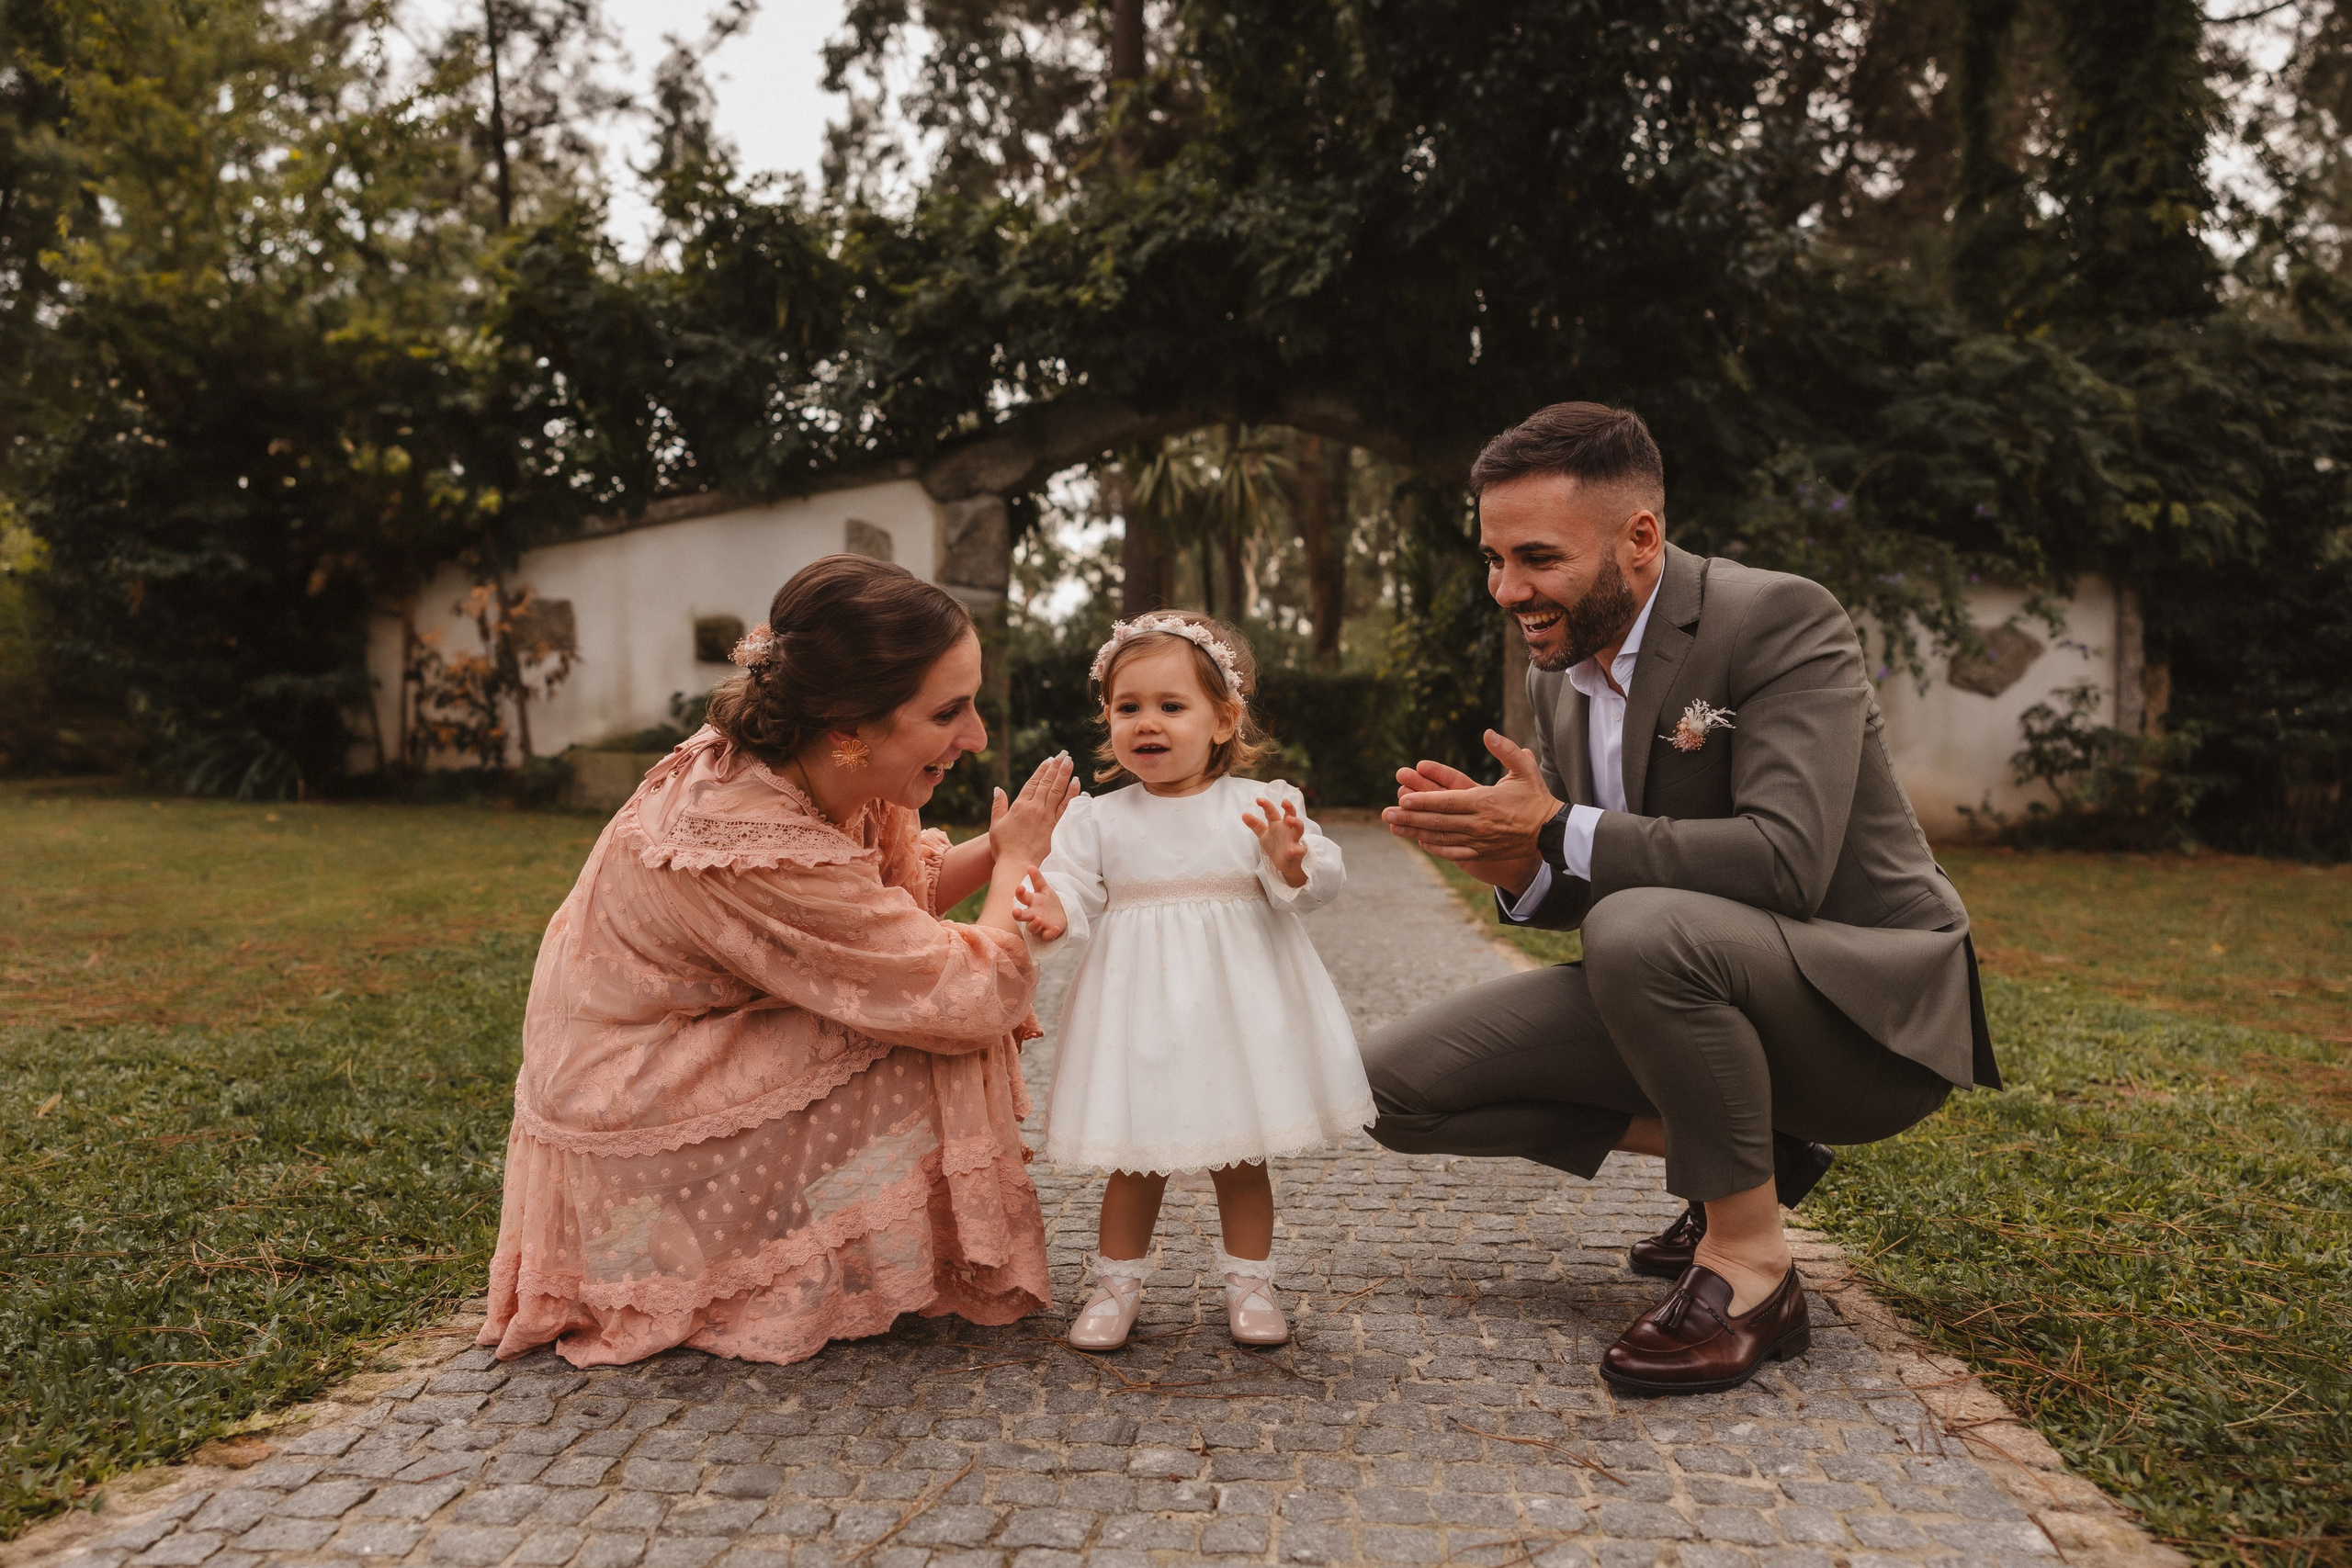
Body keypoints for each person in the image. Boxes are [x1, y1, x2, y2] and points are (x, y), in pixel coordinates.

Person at [1370, 402, 1999, 1396]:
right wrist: (1517, 871)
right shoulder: (1559, 673)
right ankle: (1754, 1153)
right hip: (1698, 973)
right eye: (1492, 560)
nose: (1507, 590)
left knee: (1639, 926)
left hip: (1865, 1019)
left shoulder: (1779, 619)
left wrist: (1553, 829)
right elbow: (1600, 875)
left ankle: (1749, 1267)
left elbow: (1785, 862)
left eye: (1535, 557)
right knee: (1388, 1092)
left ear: (1641, 537)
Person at [477, 554, 1079, 1368]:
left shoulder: (790, 758)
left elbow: (877, 904)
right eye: (949, 713)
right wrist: (1017, 866)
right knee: (936, 1027)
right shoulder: (750, 835)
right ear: (849, 729)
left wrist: (1000, 848)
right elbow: (963, 991)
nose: (973, 737)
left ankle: (789, 1241)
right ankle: (745, 1266)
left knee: (904, 1001)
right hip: (624, 1091)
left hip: (658, 1048)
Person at [1015, 611, 1374, 1351]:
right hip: (1137, 1013)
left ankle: (1250, 1282)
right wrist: (1052, 910)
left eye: (1171, 706)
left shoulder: (1258, 805)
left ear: (1223, 718)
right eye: (1128, 707)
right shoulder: (1098, 818)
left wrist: (1290, 861)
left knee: (1240, 1155)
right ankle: (1117, 1283)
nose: (1147, 722)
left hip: (1235, 1014)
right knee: (1134, 1157)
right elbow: (1073, 891)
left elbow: (1317, 882)